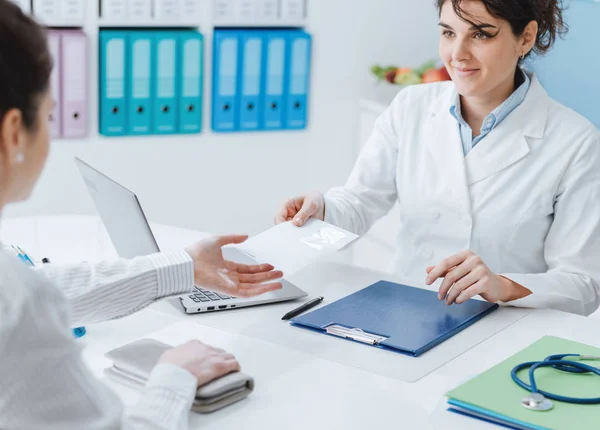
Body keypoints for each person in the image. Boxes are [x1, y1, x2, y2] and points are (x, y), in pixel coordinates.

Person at [0, 1, 283, 428]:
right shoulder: (18, 302)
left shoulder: (18, 292)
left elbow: (39, 291)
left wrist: (183, 267)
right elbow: (23, 303)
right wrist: (176, 376)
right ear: (14, 132)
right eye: (51, 115)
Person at [276, 0, 600, 316]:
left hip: (502, 329)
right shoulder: (411, 106)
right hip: (404, 311)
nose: (458, 53)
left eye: (481, 34)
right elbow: (360, 201)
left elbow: (583, 285)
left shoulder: (576, 142)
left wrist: (502, 285)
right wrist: (322, 212)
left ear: (525, 38)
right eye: (448, 33)